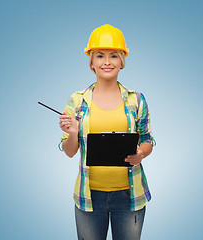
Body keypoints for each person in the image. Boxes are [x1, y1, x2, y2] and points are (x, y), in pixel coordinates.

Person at [59, 24, 155, 240]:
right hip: (89, 196)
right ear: (91, 61)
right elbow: (69, 151)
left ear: (122, 60)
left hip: (130, 196)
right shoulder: (76, 101)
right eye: (100, 55)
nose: (107, 62)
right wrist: (72, 133)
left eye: (114, 55)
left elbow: (148, 140)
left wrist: (141, 153)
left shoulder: (137, 100)